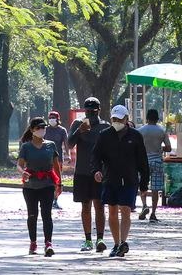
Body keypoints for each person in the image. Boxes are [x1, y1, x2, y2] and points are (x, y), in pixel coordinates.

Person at [92, 105, 149, 258]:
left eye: (119, 119)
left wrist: (144, 183)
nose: (116, 121)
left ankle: (123, 242)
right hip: (110, 179)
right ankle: (116, 244)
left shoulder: (136, 136)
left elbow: (142, 161)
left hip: (129, 180)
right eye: (114, 119)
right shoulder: (104, 135)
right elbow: (96, 156)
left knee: (125, 210)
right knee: (112, 211)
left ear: (126, 119)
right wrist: (96, 170)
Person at [68, 96, 109, 253]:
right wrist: (79, 132)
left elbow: (109, 150)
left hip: (99, 172)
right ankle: (87, 240)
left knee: (99, 206)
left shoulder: (105, 126)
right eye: (87, 110)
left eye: (93, 110)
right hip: (82, 172)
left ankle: (100, 239)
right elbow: (70, 144)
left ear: (99, 110)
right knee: (85, 206)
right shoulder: (78, 124)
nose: (90, 113)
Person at [18, 116, 62, 257]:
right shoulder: (26, 147)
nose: (42, 130)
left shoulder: (51, 145)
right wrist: (23, 172)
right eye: (38, 128)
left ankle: (48, 243)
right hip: (30, 185)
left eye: (43, 128)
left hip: (47, 184)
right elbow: (19, 164)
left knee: (46, 214)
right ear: (32, 130)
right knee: (32, 215)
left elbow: (56, 165)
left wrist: (59, 183)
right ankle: (33, 243)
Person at [136, 109, 172, 222]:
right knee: (156, 188)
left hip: (143, 162)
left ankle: (144, 205)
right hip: (157, 161)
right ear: (157, 118)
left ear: (147, 118)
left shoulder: (140, 131)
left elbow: (135, 146)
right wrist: (160, 148)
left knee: (143, 185)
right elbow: (169, 148)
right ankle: (153, 213)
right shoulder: (161, 131)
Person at [42, 110, 68, 209]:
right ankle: (46, 200)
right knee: (46, 179)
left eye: (54, 118)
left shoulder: (62, 130)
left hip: (58, 159)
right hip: (46, 158)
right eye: (50, 118)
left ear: (58, 119)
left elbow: (66, 143)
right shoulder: (45, 129)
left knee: (57, 180)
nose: (52, 119)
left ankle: (55, 199)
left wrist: (68, 155)